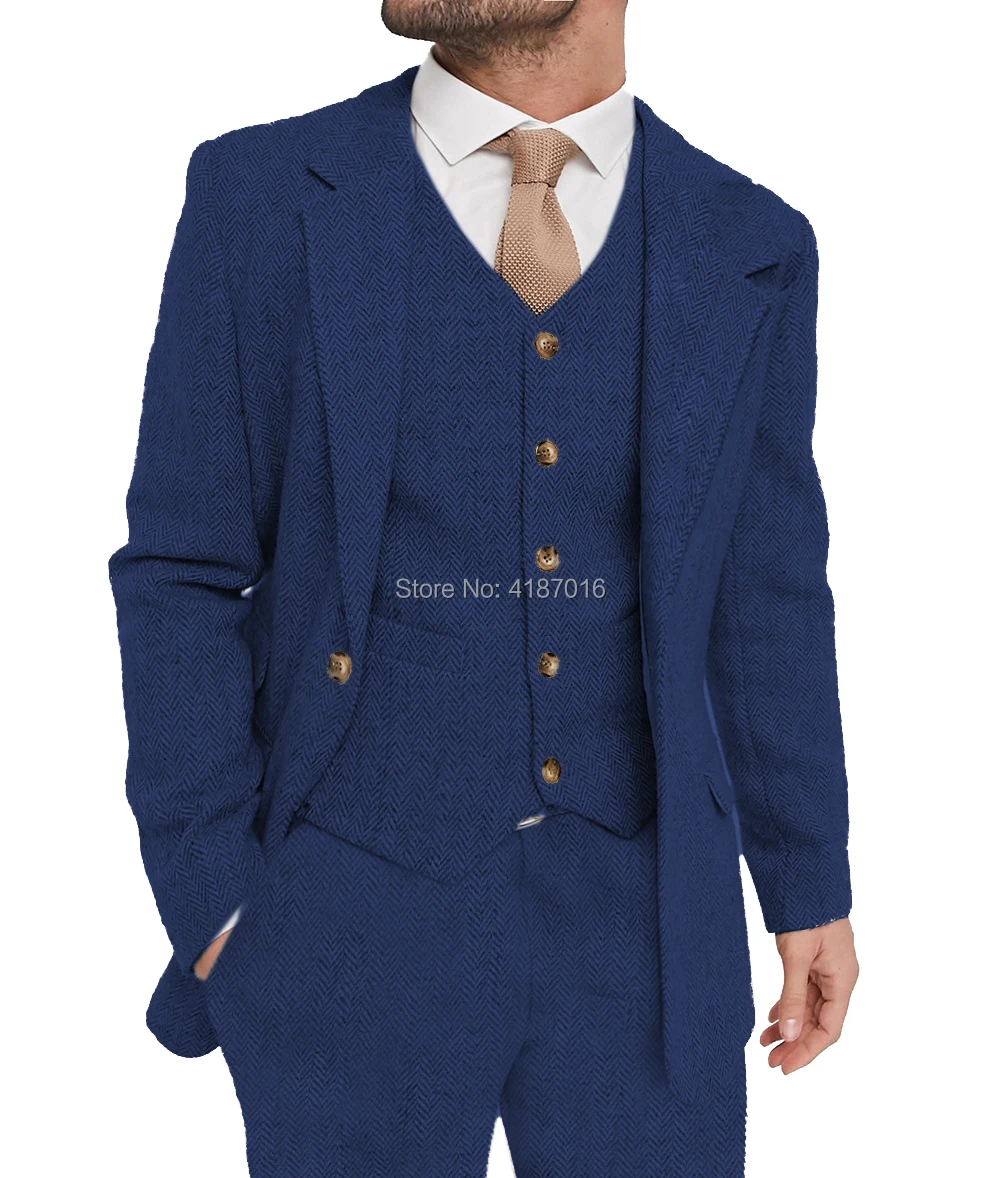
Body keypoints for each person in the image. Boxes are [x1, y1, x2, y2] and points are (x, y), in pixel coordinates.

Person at [108, 2, 859, 1174]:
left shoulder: (748, 239)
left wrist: (807, 879)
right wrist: (218, 900)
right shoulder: (262, 195)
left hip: (649, 931)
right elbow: (183, 568)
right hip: (341, 914)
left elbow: (764, 592)